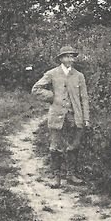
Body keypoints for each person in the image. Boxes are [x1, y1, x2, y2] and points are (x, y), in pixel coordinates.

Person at [32, 45, 90, 188]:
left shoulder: (79, 76)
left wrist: (86, 118)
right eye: (67, 56)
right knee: (55, 147)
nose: (70, 59)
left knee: (73, 146)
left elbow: (84, 98)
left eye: (72, 56)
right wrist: (51, 97)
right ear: (61, 58)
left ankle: (71, 175)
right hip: (57, 116)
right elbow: (36, 89)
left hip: (74, 116)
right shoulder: (52, 74)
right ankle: (56, 177)